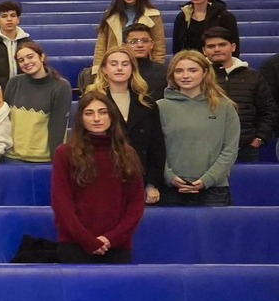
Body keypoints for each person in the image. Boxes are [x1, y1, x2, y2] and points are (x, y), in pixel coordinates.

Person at [51, 92, 146, 264]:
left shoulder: (128, 153)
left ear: (111, 116)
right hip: (75, 245)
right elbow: (61, 202)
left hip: (117, 246)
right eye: (89, 113)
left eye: (102, 112)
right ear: (80, 118)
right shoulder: (64, 153)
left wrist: (111, 238)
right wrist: (87, 240)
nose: (97, 118)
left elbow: (136, 203)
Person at [158, 50, 240, 206]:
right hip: (171, 189)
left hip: (214, 190)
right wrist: (169, 176)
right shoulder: (160, 107)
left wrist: (207, 179)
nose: (185, 75)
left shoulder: (225, 107)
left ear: (205, 73)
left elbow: (229, 150)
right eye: (179, 71)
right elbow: (154, 149)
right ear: (172, 75)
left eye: (192, 70)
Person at [89, 48, 165, 204]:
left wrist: (152, 183)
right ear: (104, 69)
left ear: (132, 69)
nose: (119, 68)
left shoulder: (147, 104)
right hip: (101, 178)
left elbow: (156, 147)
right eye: (114, 64)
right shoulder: (92, 103)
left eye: (125, 64)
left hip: (138, 179)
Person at [201, 28, 275, 163]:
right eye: (211, 46)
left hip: (246, 149)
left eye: (222, 45)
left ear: (233, 47)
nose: (217, 49)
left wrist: (259, 138)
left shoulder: (253, 76)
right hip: (205, 149)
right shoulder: (198, 76)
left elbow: (268, 111)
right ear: (204, 51)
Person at [3, 42, 72, 164]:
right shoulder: (13, 83)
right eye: (21, 60)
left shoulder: (61, 86)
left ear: (42, 57)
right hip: (12, 157)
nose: (26, 62)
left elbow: (58, 127)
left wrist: (57, 160)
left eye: (30, 57)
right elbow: (4, 120)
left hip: (43, 160)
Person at [77, 23, 168, 100]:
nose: (140, 45)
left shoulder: (164, 73)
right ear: (123, 45)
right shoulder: (112, 71)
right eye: (133, 42)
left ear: (152, 44)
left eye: (145, 41)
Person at [95, 0, 165, 63]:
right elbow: (101, 44)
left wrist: (157, 66)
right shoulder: (110, 14)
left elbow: (159, 44)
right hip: (116, 62)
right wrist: (98, 67)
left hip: (144, 63)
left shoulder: (154, 15)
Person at [172, 0, 239, 53]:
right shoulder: (182, 17)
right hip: (190, 61)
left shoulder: (225, 16)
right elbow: (177, 45)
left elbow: (234, 42)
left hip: (216, 60)